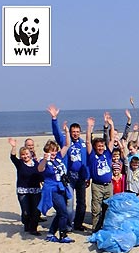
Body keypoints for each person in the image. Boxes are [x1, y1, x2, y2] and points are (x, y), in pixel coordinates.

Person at [49, 104, 89, 232]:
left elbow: (88, 159)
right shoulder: (66, 142)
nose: (75, 134)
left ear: (80, 132)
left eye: (77, 132)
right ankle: (67, 224)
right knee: (69, 203)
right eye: (73, 132)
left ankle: (78, 224)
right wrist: (54, 119)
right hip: (69, 177)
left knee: (82, 204)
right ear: (70, 133)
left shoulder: (83, 143)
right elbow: (56, 133)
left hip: (81, 177)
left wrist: (88, 176)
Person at [37, 131, 73, 243]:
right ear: (47, 151)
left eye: (55, 150)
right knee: (63, 212)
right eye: (51, 151)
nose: (53, 153)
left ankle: (51, 233)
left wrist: (66, 131)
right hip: (52, 190)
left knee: (61, 212)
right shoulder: (44, 161)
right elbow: (40, 169)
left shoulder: (58, 158)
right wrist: (45, 159)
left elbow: (67, 145)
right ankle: (63, 234)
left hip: (62, 188)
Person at [86, 113, 115, 232]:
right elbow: (88, 142)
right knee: (96, 209)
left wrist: (111, 125)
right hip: (97, 185)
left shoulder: (107, 154)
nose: (101, 148)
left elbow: (112, 139)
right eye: (98, 146)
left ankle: (107, 228)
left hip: (108, 185)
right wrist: (89, 127)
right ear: (95, 147)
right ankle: (96, 230)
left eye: (102, 146)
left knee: (108, 208)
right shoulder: (92, 156)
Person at [9, 138, 43, 236]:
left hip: (35, 191)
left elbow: (41, 174)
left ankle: (33, 229)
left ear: (31, 154)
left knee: (36, 211)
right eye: (23, 155)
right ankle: (27, 224)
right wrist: (14, 147)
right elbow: (12, 157)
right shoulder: (20, 164)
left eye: (27, 154)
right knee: (26, 212)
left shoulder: (36, 163)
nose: (25, 156)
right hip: (23, 191)